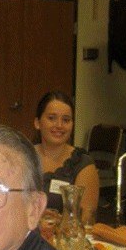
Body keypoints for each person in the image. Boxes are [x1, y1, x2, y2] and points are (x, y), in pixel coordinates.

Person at [34, 91, 99, 223]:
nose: (59, 125)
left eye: (66, 120)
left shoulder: (83, 164)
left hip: (63, 240)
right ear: (37, 123)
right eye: (52, 118)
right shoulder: (21, 158)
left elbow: (86, 220)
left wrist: (57, 222)